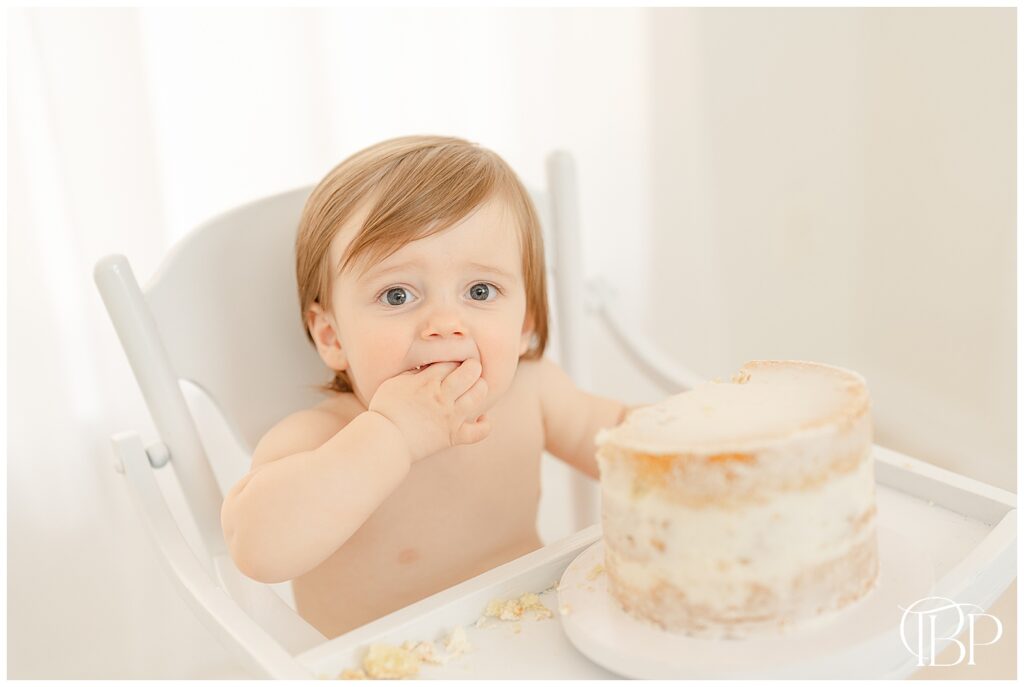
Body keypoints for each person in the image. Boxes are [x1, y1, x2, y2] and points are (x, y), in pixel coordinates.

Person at [220, 134, 638, 639]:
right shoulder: (317, 438)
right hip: (383, 669)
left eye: (480, 291)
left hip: (529, 640)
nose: (444, 323)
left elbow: (632, 442)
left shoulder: (535, 392)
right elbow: (259, 549)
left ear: (525, 322)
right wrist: (392, 433)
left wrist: (716, 434)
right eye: (397, 295)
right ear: (331, 336)